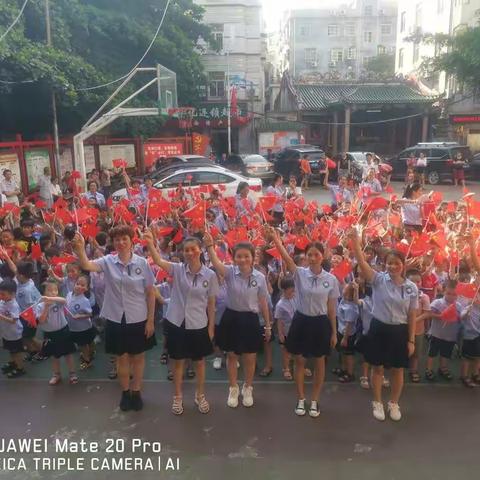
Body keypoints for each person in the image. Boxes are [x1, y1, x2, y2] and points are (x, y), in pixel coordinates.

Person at [72, 225, 156, 412]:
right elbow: (87, 265)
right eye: (117, 239)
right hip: (116, 317)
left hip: (138, 317)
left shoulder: (142, 263)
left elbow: (150, 292)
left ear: (131, 240)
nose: (120, 242)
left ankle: (136, 391)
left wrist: (150, 320)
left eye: (124, 238)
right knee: (122, 358)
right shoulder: (108, 261)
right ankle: (125, 392)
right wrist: (79, 248)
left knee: (138, 358)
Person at [144, 232, 218, 415]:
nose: (190, 253)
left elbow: (211, 303)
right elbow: (158, 261)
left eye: (193, 249)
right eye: (186, 250)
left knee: (199, 363)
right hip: (176, 322)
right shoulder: (177, 269)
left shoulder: (210, 275)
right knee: (177, 363)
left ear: (200, 250)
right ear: (183, 252)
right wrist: (151, 243)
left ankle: (200, 395)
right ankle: (177, 397)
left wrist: (211, 327)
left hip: (198, 324)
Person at [268, 227, 339, 418]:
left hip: (320, 323)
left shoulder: (331, 280)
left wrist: (334, 332)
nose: (313, 258)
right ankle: (301, 398)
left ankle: (314, 400)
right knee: (299, 361)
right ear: (306, 256)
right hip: (301, 321)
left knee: (319, 362)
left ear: (323, 256)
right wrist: (275, 238)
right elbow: (286, 257)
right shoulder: (299, 273)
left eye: (316, 254)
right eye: (310, 255)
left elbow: (332, 309)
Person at [350, 228, 417, 422]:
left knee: (397, 370)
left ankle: (394, 403)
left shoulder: (411, 287)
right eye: (389, 263)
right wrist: (355, 242)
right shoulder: (378, 279)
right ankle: (378, 401)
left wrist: (411, 339)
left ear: (403, 265)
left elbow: (412, 314)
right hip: (379, 328)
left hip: (400, 331)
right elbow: (362, 262)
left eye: (397, 263)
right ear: (385, 264)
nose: (393, 266)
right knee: (377, 368)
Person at [204, 232, 271, 409]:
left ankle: (248, 387)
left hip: (250, 319)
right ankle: (233, 388)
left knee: (250, 357)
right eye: (239, 256)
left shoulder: (260, 278)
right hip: (231, 318)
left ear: (252, 257)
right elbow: (216, 264)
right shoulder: (229, 273)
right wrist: (210, 246)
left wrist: (268, 325)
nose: (242, 260)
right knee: (232, 355)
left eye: (246, 256)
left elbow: (263, 302)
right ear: (234, 258)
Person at [36, 280, 78, 385]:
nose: (54, 292)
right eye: (50, 290)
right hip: (49, 334)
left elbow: (64, 300)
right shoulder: (39, 306)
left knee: (68, 354)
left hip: (63, 331)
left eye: (55, 290)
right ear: (43, 293)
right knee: (54, 356)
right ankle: (56, 375)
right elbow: (41, 320)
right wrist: (46, 306)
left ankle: (72, 374)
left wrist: (50, 299)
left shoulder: (57, 302)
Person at [425, 280, 461, 383]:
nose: (451, 296)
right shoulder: (438, 302)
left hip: (450, 335)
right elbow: (429, 313)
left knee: (446, 354)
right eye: (448, 293)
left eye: (454, 294)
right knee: (432, 353)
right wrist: (440, 316)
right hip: (436, 334)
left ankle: (443, 368)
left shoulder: (458, 305)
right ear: (444, 291)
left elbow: (460, 318)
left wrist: (462, 315)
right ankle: (429, 369)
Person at [65, 275, 96, 371]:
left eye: (83, 285)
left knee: (84, 344)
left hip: (83, 328)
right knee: (83, 343)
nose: (79, 286)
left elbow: (90, 314)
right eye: (78, 283)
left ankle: (87, 360)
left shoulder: (84, 300)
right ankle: (89, 353)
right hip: (72, 326)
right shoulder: (69, 294)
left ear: (86, 288)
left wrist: (80, 316)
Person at [0, 279, 25, 378]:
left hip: (14, 334)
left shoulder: (13, 305)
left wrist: (2, 317)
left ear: (12, 294)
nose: (1, 296)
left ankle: (20, 368)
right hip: (6, 332)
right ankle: (13, 363)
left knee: (17, 352)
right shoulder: (3, 301)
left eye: (3, 294)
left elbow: (14, 320)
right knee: (10, 350)